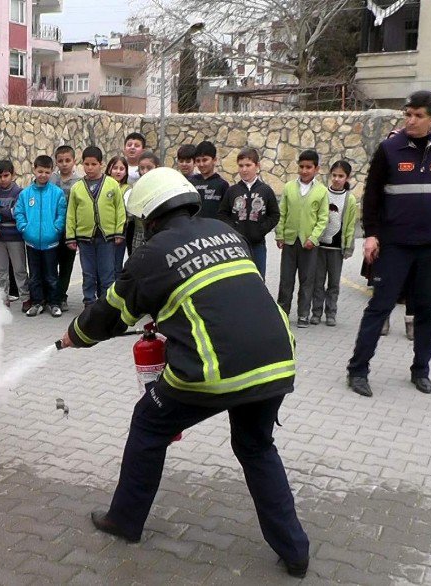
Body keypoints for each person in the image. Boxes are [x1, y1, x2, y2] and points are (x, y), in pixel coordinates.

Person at [57, 167, 310, 579]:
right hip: (276, 360)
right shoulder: (225, 231)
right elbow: (214, 295)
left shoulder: (151, 254)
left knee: (149, 423)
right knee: (256, 447)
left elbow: (111, 314)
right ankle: (295, 551)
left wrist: (75, 335)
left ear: (149, 217)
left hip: (213, 368)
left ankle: (124, 520)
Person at [347, 90, 431, 398]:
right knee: (380, 308)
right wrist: (371, 234)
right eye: (407, 114)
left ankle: (420, 370)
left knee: (427, 309)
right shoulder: (389, 149)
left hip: (427, 246)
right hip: (394, 245)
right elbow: (371, 196)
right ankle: (357, 370)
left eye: (418, 115)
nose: (410, 120)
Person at [66, 146, 126, 307]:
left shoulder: (112, 184)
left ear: (101, 164)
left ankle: (106, 304)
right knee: (88, 273)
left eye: (94, 164)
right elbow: (71, 213)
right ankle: (89, 302)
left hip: (107, 237)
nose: (90, 168)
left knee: (107, 273)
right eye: (86, 164)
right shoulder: (77, 188)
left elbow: (120, 210)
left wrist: (119, 231)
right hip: (84, 238)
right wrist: (70, 236)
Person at [276, 150, 330, 328]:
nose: (305, 171)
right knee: (286, 280)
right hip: (290, 242)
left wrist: (314, 238)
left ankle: (303, 314)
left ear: (316, 169)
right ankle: (283, 312)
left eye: (309, 167)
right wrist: (280, 234)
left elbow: (323, 218)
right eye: (301, 167)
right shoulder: (289, 187)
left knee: (307, 280)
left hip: (308, 244)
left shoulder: (321, 191)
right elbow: (282, 212)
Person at [16, 155, 68, 317]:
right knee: (35, 275)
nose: (43, 175)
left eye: (47, 172)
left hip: (51, 242)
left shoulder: (57, 193)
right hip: (31, 243)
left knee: (52, 275)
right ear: (34, 170)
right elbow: (19, 212)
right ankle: (37, 302)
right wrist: (25, 228)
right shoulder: (25, 194)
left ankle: (54, 303)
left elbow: (61, 214)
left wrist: (55, 229)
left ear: (52, 172)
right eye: (40, 171)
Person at [218, 147, 280, 278]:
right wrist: (234, 230)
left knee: (258, 279)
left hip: (258, 245)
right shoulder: (232, 191)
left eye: (248, 165)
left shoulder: (266, 190)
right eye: (241, 166)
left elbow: (274, 215)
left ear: (257, 166)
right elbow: (222, 214)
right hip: (236, 246)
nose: (244, 169)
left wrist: (261, 229)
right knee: (238, 280)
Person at [311, 160, 358, 326]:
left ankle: (331, 313)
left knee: (333, 283)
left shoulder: (349, 199)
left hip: (337, 248)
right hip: (319, 246)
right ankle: (316, 312)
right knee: (317, 282)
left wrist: (348, 247)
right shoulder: (323, 193)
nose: (337, 179)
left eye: (341, 176)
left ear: (347, 177)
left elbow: (350, 225)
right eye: (334, 175)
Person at [0, 160, 29, 307]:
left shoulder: (20, 193)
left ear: (13, 175)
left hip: (15, 237)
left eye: (6, 175)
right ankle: (2, 298)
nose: (2, 179)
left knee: (19, 269)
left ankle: (25, 298)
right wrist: (2, 212)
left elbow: (15, 213)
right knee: (1, 270)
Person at [51, 145, 82, 312]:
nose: (64, 164)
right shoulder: (51, 180)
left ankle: (61, 296)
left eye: (67, 160)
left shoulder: (79, 182)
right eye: (60, 161)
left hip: (69, 232)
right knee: (50, 266)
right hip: (51, 230)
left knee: (66, 266)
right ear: (56, 162)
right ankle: (51, 296)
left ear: (74, 161)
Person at [128, 152, 160, 254]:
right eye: (142, 168)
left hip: (158, 231)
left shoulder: (161, 185)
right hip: (139, 230)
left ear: (157, 167)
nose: (145, 171)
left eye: (149, 168)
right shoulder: (135, 186)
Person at [190, 140, 230, 220]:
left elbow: (225, 213)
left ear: (214, 160)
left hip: (214, 230)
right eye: (198, 161)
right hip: (193, 229)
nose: (201, 164)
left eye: (205, 160)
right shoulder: (190, 183)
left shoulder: (222, 185)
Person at [107, 155, 131, 272]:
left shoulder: (127, 189)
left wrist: (119, 231)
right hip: (104, 232)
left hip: (120, 232)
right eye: (115, 168)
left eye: (121, 169)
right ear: (109, 169)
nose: (118, 171)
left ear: (126, 172)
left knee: (116, 264)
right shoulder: (103, 187)